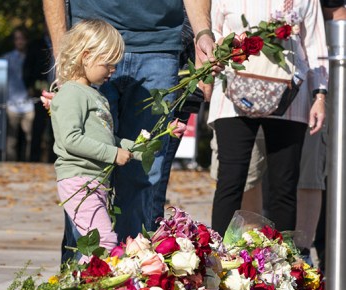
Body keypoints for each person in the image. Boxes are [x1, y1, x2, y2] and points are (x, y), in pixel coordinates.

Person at [44, 0, 214, 246]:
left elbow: (106, 138)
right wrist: (64, 55)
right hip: (94, 38)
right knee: (87, 190)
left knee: (145, 176)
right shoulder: (78, 87)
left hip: (159, 44)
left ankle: (133, 273)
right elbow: (74, 141)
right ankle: (81, 274)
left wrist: (203, 33)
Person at [207, 0, 328, 236]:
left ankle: (282, 262)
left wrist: (320, 96)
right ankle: (218, 259)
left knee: (284, 187)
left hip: (290, 96)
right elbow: (213, 31)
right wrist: (215, 53)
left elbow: (315, 45)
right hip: (233, 94)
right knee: (230, 181)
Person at [51, 19, 143, 253]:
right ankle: (84, 288)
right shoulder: (71, 93)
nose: (113, 71)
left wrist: (144, 148)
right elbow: (70, 139)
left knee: (100, 244)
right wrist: (113, 155)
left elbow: (106, 139)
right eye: (108, 64)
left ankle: (83, 286)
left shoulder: (95, 95)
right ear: (86, 55)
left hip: (95, 182)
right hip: (78, 180)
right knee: (104, 243)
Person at [23, 31, 57, 163]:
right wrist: (29, 86)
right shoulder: (36, 45)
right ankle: (34, 159)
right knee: (38, 127)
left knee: (56, 129)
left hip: (58, 92)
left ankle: (53, 160)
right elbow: (27, 67)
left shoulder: (63, 43)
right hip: (39, 92)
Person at [3, 27, 36, 161]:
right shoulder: (7, 58)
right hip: (12, 104)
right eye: (17, 39)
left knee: (29, 139)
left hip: (29, 104)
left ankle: (27, 164)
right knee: (12, 140)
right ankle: (10, 165)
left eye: (22, 38)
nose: (20, 42)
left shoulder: (32, 58)